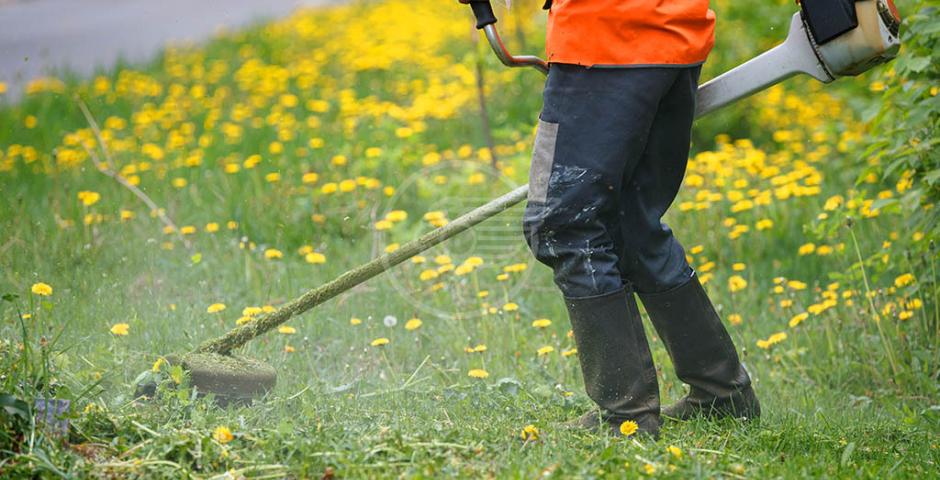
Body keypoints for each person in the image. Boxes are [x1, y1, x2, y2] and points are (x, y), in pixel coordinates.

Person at [460, 0, 760, 438]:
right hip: (672, 32)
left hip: (605, 37)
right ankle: (722, 393)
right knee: (633, 224)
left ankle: (626, 415)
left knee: (563, 225)